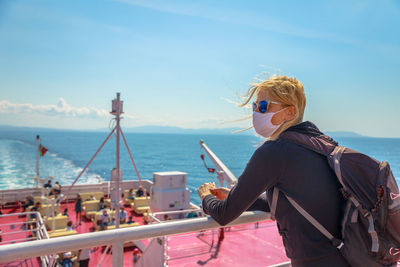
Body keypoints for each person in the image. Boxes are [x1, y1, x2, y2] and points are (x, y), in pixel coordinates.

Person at [197, 75, 349, 267]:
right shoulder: (322, 145)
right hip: (347, 257)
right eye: (255, 106)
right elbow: (296, 201)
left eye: (264, 106)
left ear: (290, 112)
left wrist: (205, 197)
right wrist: (238, 198)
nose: (256, 113)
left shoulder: (274, 152)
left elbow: (224, 215)